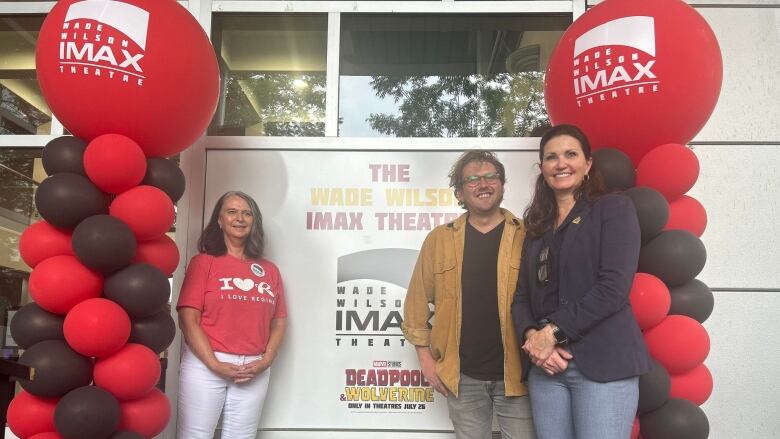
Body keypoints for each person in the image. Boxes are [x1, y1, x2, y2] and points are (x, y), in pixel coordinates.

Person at [511, 125, 651, 439]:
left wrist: (552, 332)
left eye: (570, 154)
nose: (561, 163)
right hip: (547, 367)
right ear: (543, 168)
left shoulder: (613, 209)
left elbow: (612, 289)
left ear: (587, 164)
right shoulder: (537, 227)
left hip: (602, 364)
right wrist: (535, 339)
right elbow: (521, 298)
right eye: (551, 157)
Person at [403, 150, 534, 439]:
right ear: (460, 192)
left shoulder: (527, 235)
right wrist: (426, 361)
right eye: (472, 179)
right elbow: (415, 306)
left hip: (519, 373)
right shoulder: (439, 239)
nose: (483, 184)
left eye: (490, 177)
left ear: (502, 184)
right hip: (463, 376)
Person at [177, 191, 287, 439]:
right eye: (232, 211)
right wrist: (214, 363)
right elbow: (188, 318)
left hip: (254, 367)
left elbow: (279, 321)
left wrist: (267, 359)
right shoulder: (204, 262)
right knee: (195, 435)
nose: (240, 218)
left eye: (247, 213)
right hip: (206, 366)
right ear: (219, 219)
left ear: (254, 221)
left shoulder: (269, 270)